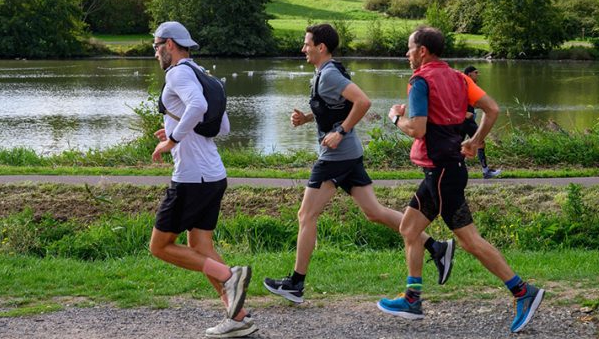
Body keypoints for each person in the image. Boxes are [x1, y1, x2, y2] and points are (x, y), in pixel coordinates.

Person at [263, 23, 455, 304]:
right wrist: (306, 118)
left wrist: (340, 132)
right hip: (348, 154)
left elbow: (363, 102)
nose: (303, 48)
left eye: (307, 44)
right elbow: (335, 108)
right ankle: (436, 247)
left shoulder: (329, 74)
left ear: (321, 47)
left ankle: (295, 283)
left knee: (306, 215)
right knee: (374, 212)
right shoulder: (323, 74)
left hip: (336, 156)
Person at [377, 27, 544, 333]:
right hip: (444, 171)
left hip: (442, 172)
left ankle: (523, 292)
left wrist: (394, 118)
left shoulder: (420, 81)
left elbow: (417, 130)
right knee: (409, 227)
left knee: (470, 240)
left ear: (423, 51)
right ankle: (412, 298)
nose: (407, 54)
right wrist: (475, 141)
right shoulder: (458, 78)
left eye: (410, 48)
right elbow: (492, 109)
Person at [148, 21, 256, 338]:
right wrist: (173, 127)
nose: (155, 52)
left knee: (160, 246)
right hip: (212, 174)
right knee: (200, 245)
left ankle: (229, 274)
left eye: (156, 45)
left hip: (192, 178)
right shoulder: (204, 74)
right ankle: (238, 316)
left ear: (169, 44)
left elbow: (197, 106)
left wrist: (174, 140)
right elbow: (221, 127)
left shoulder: (178, 73)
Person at [462, 65, 501, 179]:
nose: (477, 75)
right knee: (479, 143)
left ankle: (453, 169)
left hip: (463, 120)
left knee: (459, 145)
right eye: (476, 72)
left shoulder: (464, 83)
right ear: (469, 74)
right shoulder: (466, 84)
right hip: (466, 121)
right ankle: (485, 171)